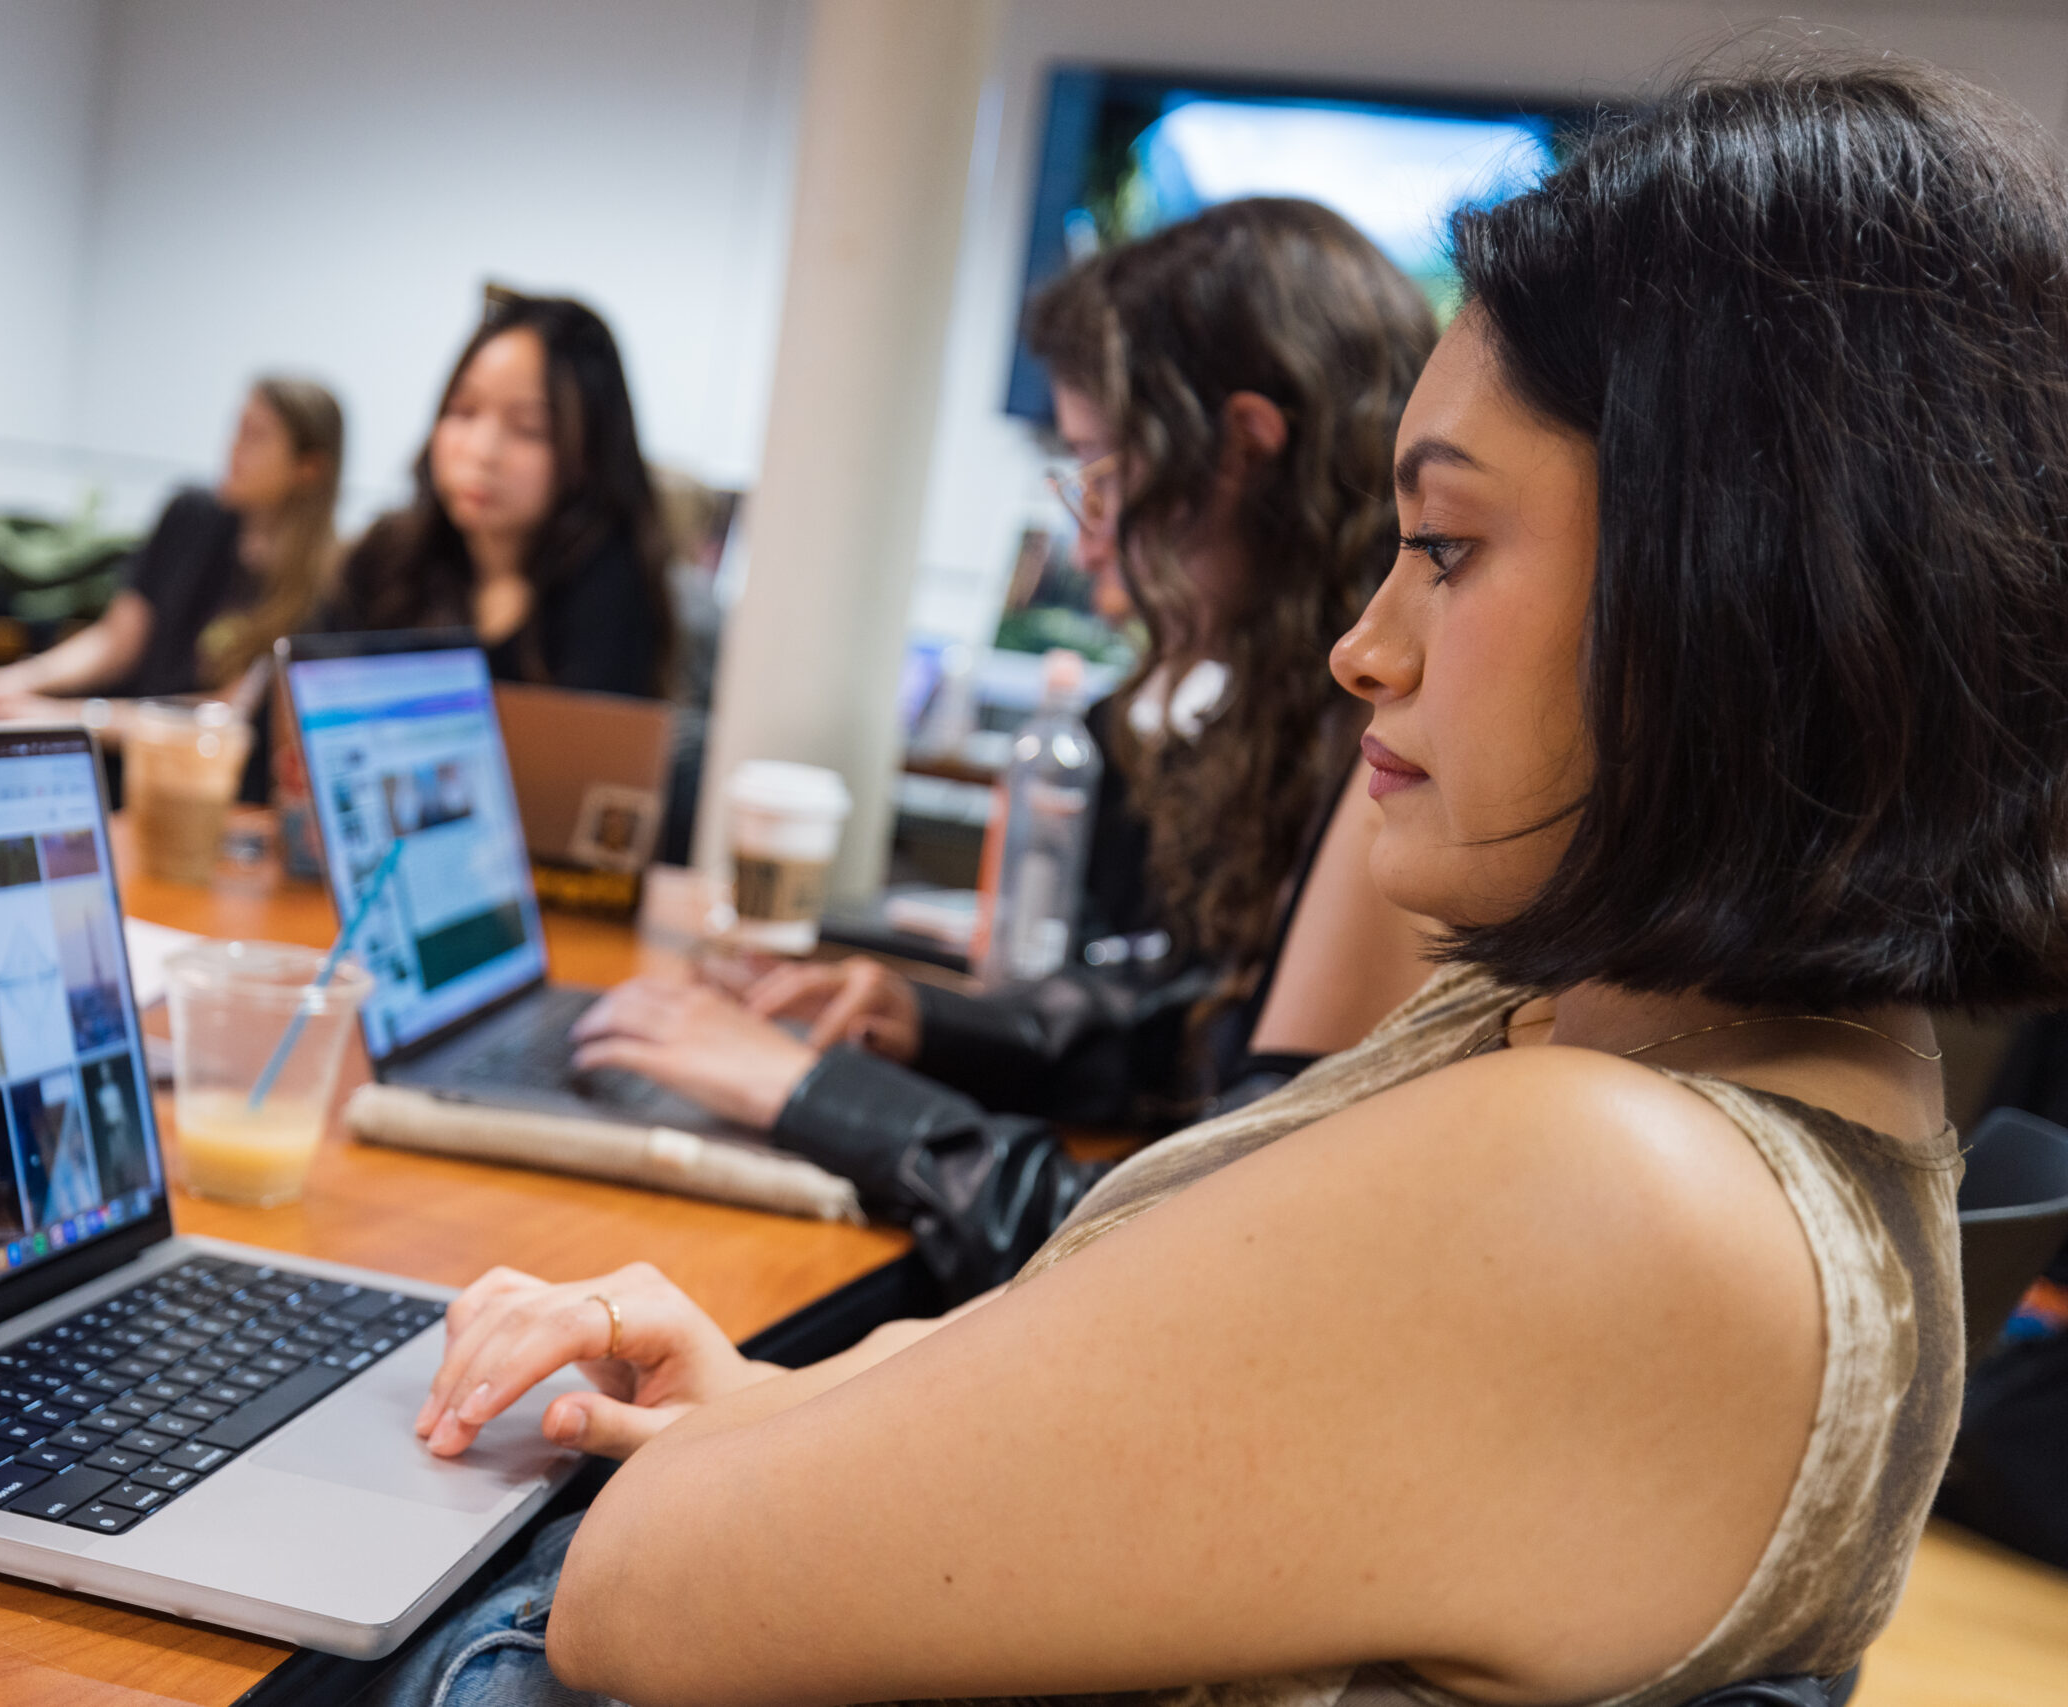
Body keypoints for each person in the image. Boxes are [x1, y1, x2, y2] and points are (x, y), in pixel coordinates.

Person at [379, 57, 2068, 1706]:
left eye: (1450, 550)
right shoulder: (1756, 1066)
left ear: (1738, 600)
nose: (1365, 644)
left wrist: (760, 1454)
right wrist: (781, 1413)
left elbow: (632, 1603)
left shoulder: (1597, 1178)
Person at [565, 201, 1439, 1293]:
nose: (1083, 537)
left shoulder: (1396, 753)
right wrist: (927, 1023)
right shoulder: (1292, 719)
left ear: (1244, 454)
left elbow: (1196, 1242)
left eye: (1102, 478)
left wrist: (807, 1094)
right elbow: (1197, 1018)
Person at [0, 376, 345, 732]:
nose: (233, 449)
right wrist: (15, 681)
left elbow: (222, 717)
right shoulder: (192, 515)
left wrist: (63, 716)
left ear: (308, 467)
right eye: (236, 428)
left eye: (256, 436)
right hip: (127, 748)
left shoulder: (323, 586)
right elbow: (117, 638)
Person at [324, 288, 673, 698]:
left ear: (591, 451)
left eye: (529, 429)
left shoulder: (612, 592)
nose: (481, 451)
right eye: (463, 410)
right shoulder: (387, 556)